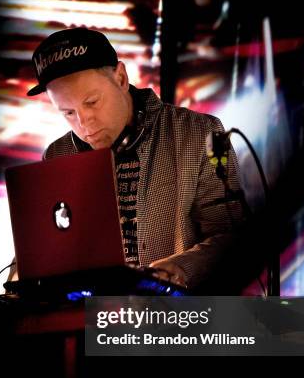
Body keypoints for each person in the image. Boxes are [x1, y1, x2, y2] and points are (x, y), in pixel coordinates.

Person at [19, 26, 246, 290]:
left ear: (121, 78)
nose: (84, 122)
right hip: (91, 320)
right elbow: (48, 250)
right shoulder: (57, 156)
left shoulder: (198, 133)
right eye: (68, 113)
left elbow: (231, 235)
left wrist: (181, 268)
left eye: (92, 102)